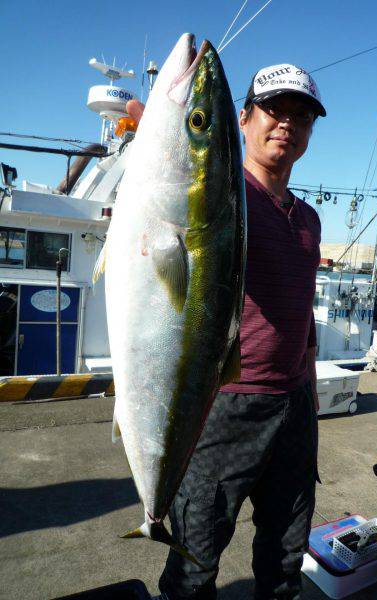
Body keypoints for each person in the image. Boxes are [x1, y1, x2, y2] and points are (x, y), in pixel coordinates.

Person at [127, 62, 326, 600]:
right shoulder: (220, 194)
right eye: (274, 111)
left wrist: (305, 387)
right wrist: (158, 152)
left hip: (294, 409)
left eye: (301, 116)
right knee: (195, 562)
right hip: (224, 407)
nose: (286, 124)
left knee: (286, 559)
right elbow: (163, 218)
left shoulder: (308, 218)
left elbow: (301, 311)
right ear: (242, 119)